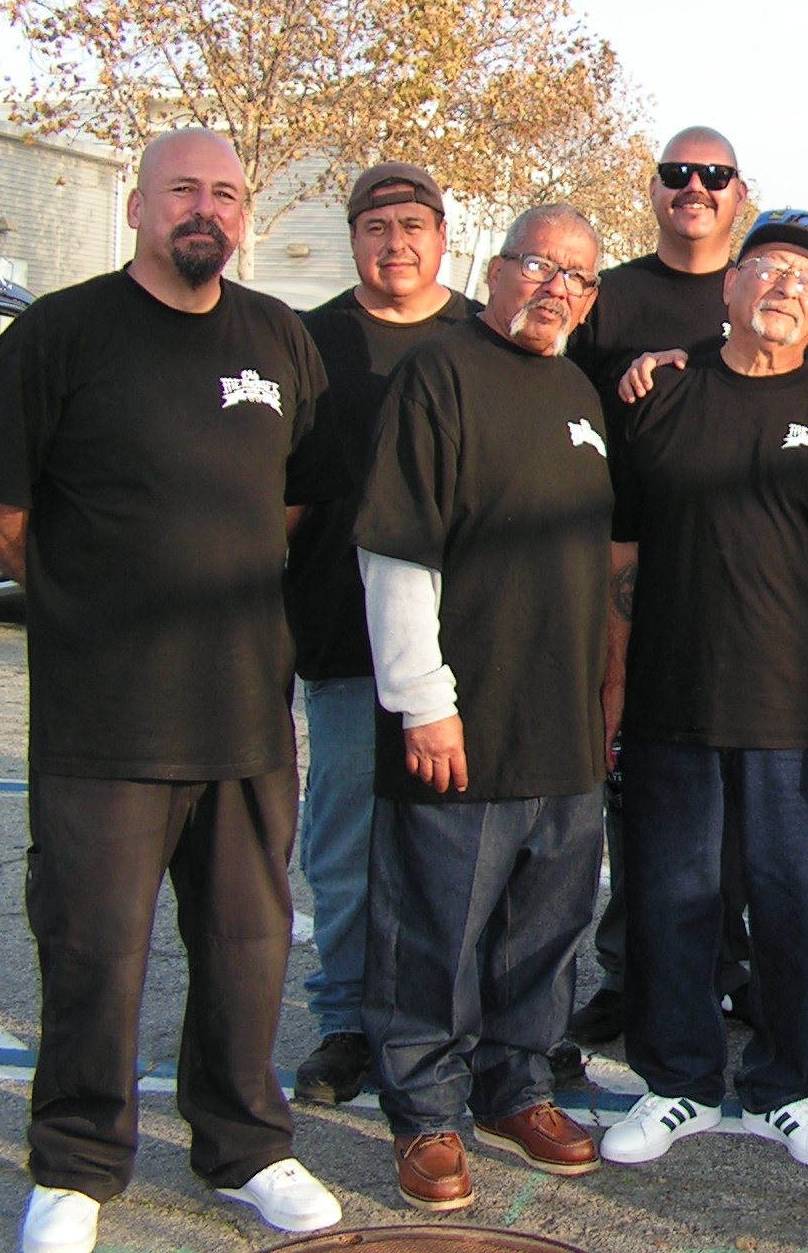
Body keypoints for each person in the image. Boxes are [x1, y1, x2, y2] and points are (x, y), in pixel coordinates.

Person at [0, 129, 344, 1253]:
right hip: (104, 717)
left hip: (245, 713)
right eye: (183, 190)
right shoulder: (58, 334)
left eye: (225, 193)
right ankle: (76, 1164)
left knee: (247, 948)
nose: (205, 210)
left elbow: (296, 497)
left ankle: (245, 1148)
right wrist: (84, 599)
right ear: (137, 207)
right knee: (92, 950)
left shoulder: (278, 338)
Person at [599, 209, 808, 1172]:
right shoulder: (659, 395)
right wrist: (611, 688)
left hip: (804, 718)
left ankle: (787, 1086)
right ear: (731, 285)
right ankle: (679, 1082)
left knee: (795, 909)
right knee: (672, 904)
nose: (787, 289)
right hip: (672, 707)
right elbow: (622, 559)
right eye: (770, 270)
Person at [356, 203, 616, 1211]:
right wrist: (422, 700)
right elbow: (395, 547)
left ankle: (517, 1088)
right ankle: (424, 1111)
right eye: (538, 266)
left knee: (543, 933)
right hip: (459, 721)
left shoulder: (579, 391)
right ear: (496, 270)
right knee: (433, 932)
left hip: (561, 726)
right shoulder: (440, 374)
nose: (555, 288)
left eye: (576, 277)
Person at [563, 125, 808, 1047]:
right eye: (677, 173)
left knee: (737, 815)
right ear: (655, 188)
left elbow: (802, 409)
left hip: (739, 603)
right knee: (640, 806)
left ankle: (728, 968)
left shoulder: (774, 297)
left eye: (714, 175)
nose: (694, 187)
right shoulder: (610, 297)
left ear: (740, 194)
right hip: (627, 580)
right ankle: (631, 973)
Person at [283, 161, 475, 1106]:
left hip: (466, 649)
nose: (395, 243)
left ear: (442, 236)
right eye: (376, 227)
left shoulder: (483, 337)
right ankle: (347, 1023)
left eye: (413, 225)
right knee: (347, 852)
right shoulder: (308, 344)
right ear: (354, 238)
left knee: (457, 854)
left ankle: (458, 1021)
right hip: (342, 638)